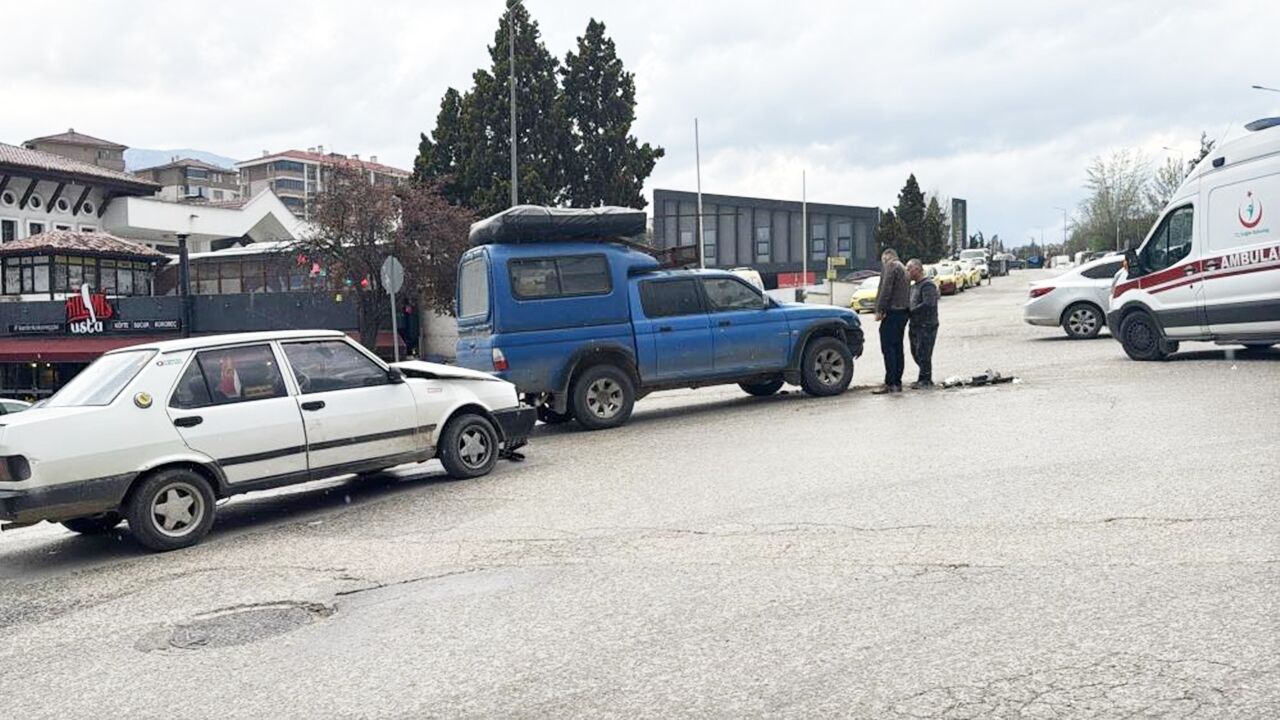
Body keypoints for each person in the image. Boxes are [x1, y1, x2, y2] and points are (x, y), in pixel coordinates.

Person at [872, 248, 910, 394]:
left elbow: (886, 289)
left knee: (888, 347)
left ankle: (890, 382)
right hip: (903, 312)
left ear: (886, 257)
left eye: (883, 260)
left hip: (893, 312)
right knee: (898, 347)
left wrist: (880, 310)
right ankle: (897, 382)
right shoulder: (903, 268)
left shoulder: (891, 266)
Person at [906, 259, 940, 389]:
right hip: (915, 325)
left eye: (909, 269)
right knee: (916, 352)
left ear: (918, 269)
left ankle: (926, 379)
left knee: (924, 352)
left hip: (927, 324)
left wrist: (912, 312)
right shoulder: (914, 286)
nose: (907, 272)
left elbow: (928, 304)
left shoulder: (927, 285)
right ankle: (921, 377)